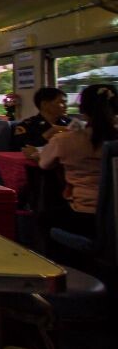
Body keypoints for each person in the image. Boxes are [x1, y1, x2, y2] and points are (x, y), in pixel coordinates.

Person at [36, 84, 118, 236]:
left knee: (42, 218)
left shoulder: (64, 140)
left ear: (82, 109)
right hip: (114, 215)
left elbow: (44, 164)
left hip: (85, 214)